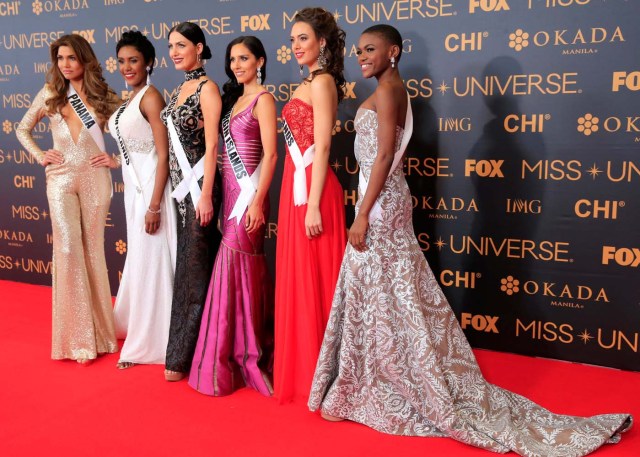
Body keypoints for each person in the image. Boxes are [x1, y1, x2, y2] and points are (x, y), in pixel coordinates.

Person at [308, 24, 632, 456]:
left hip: (380, 204)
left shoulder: (389, 92)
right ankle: (374, 379)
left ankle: (381, 383)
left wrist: (363, 213)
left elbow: (385, 154)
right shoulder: (391, 88)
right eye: (360, 50)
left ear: (395, 52)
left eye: (372, 49)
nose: (362, 56)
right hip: (383, 199)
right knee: (385, 294)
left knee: (384, 293)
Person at [16, 34, 120, 364]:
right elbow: (22, 129)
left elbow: (134, 134)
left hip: (95, 179)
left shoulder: (103, 96)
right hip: (59, 179)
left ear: (85, 60)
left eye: (71, 58)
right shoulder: (50, 94)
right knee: (67, 248)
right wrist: (38, 155)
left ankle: (102, 334)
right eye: (60, 59)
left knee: (93, 252)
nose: (64, 65)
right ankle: (77, 341)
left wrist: (116, 161)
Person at [189, 36, 277, 396]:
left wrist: (257, 202)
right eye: (232, 60)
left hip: (250, 199)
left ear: (260, 61)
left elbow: (271, 156)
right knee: (234, 268)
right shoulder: (235, 100)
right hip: (230, 196)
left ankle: (241, 353)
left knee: (236, 265)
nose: (237, 65)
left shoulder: (264, 99)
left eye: (244, 58)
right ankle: (235, 351)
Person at [274, 7, 347, 403]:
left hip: (314, 193)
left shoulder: (322, 84)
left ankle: (324, 377)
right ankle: (305, 371)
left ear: (322, 42)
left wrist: (315, 204)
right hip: (295, 189)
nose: (296, 46)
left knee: (317, 280)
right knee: (299, 279)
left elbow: (322, 150)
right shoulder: (309, 82)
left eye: (303, 38)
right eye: (292, 40)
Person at [108, 31, 177, 369]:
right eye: (121, 61)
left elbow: (163, 157)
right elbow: (138, 149)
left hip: (152, 192)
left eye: (133, 60)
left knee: (152, 261)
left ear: (149, 62)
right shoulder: (132, 98)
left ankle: (152, 342)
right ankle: (139, 329)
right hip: (135, 191)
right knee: (140, 258)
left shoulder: (151, 97)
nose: (126, 67)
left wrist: (154, 206)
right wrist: (115, 161)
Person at [160, 22, 223, 382]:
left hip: (199, 190)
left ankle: (188, 354)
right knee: (184, 268)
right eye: (171, 46)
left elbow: (212, 146)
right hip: (180, 193)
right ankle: (182, 349)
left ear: (199, 47)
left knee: (197, 270)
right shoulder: (179, 88)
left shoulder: (207, 88)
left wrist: (205, 194)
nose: (174, 52)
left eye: (181, 45)